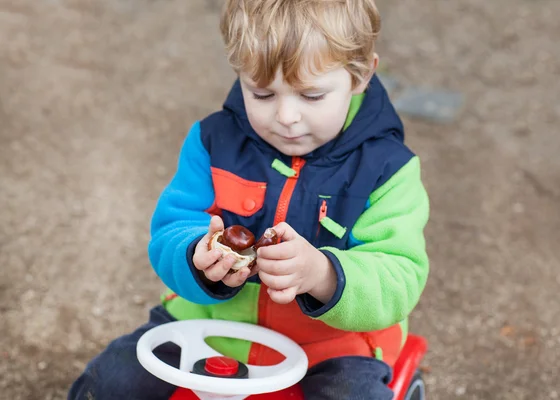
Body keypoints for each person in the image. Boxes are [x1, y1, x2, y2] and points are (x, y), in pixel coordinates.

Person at [68, 0, 430, 398]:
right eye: (262, 93)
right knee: (112, 382)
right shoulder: (212, 142)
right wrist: (196, 256)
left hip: (330, 348)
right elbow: (171, 228)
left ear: (360, 76)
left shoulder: (387, 170)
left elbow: (399, 274)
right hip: (206, 323)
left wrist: (322, 274)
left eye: (311, 96)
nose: (286, 116)